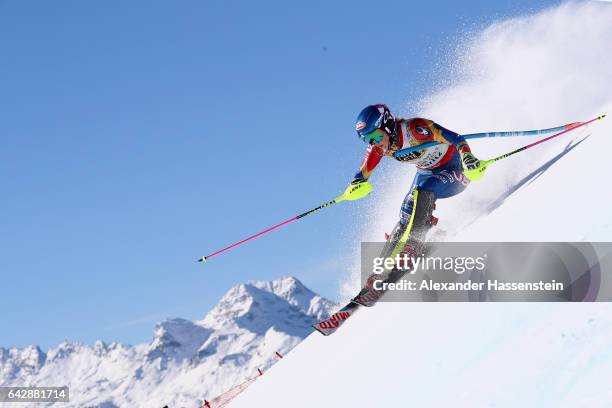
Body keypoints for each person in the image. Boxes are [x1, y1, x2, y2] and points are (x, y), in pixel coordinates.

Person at [345, 104, 485, 263]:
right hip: (425, 174)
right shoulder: (378, 148)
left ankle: (414, 245)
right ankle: (383, 265)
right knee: (406, 211)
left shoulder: (415, 129)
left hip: (454, 170)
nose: (374, 143)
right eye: (367, 140)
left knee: (424, 190)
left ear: (388, 125)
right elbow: (362, 173)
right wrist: (356, 184)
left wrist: (467, 156)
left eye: (376, 136)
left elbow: (456, 138)